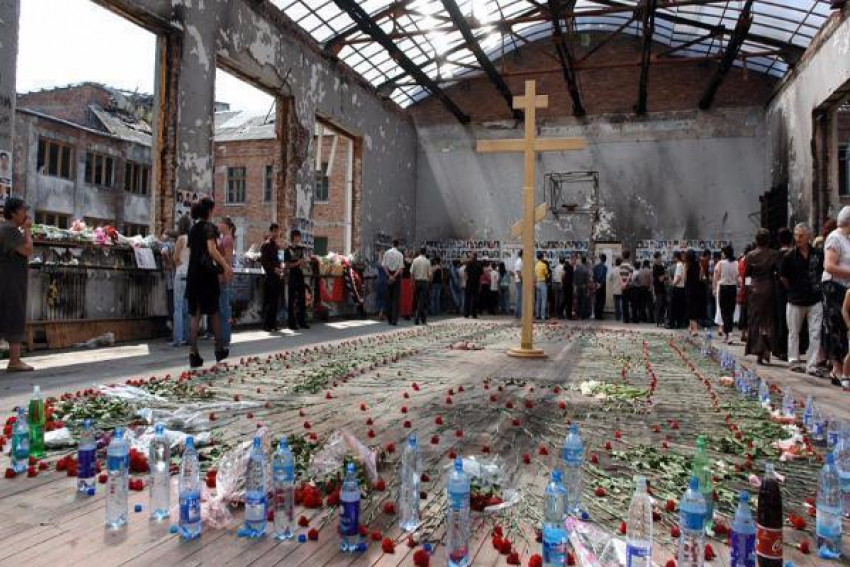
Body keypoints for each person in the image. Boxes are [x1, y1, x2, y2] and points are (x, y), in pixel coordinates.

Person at [185, 198, 232, 368]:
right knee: (214, 311)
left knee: (194, 314)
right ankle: (219, 348)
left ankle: (193, 352)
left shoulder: (192, 229)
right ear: (209, 211)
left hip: (193, 274)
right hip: (206, 275)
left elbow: (193, 252)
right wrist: (225, 265)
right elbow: (211, 249)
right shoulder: (209, 228)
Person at [780, 223, 824, 376]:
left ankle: (812, 364)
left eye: (801, 235)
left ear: (808, 237)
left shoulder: (818, 254)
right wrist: (793, 289)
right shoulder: (789, 256)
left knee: (815, 332)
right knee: (793, 332)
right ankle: (794, 360)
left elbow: (822, 273)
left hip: (814, 298)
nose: (797, 238)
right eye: (796, 235)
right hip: (795, 299)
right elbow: (783, 277)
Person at [0, 197, 34, 372]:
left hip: (6, 279)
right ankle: (14, 361)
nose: (26, 214)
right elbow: (27, 249)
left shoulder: (5, 228)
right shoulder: (10, 230)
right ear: (13, 212)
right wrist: (27, 230)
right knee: (14, 315)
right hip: (10, 281)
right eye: (23, 210)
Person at [821, 207, 850, 386]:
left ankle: (846, 368)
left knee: (846, 328)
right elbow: (829, 266)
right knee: (836, 327)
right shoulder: (835, 238)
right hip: (833, 287)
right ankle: (836, 368)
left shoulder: (847, 238)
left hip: (846, 287)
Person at [745, 229, 780, 365]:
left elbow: (747, 275)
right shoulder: (774, 255)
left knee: (756, 320)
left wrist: (749, 289)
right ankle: (767, 350)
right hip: (769, 288)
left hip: (754, 289)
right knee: (769, 320)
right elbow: (777, 273)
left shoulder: (750, 255)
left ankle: (758, 350)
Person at [772, 228, 794, 361]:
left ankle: (781, 349)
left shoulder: (776, 256)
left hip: (779, 290)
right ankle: (790, 350)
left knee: (780, 318)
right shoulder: (794, 254)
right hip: (791, 290)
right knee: (791, 321)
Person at [172, 216, 192, 346]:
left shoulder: (181, 239)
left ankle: (178, 339)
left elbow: (175, 257)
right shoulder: (193, 240)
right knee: (186, 309)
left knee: (178, 308)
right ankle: (187, 337)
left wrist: (178, 263)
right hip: (190, 276)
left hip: (180, 274)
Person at [284, 230, 310, 330]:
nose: (299, 238)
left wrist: (304, 263)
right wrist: (298, 262)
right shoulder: (287, 249)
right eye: (298, 236)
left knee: (302, 298)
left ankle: (302, 321)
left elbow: (302, 262)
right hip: (292, 275)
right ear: (294, 237)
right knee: (291, 300)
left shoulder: (301, 248)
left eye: (299, 236)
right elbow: (286, 265)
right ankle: (291, 323)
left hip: (299, 274)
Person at [713, 245, 738, 344]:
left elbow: (716, 276)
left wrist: (715, 287)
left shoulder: (721, 263)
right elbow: (737, 276)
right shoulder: (736, 262)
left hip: (723, 288)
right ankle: (727, 334)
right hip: (732, 288)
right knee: (730, 311)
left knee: (724, 311)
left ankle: (728, 334)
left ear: (725, 253)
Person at [260, 224, 283, 332]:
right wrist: (274, 269)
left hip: (277, 276)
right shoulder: (266, 245)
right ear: (271, 232)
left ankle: (273, 324)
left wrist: (280, 267)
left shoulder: (275, 245)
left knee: (275, 302)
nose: (277, 233)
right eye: (275, 231)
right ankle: (266, 325)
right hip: (269, 277)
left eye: (278, 231)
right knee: (269, 302)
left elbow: (276, 260)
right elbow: (264, 262)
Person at [217, 217, 236, 347]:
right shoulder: (224, 238)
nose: (219, 225)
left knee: (224, 308)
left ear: (226, 225)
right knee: (222, 308)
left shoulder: (227, 239)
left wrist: (216, 260)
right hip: (222, 275)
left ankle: (225, 337)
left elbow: (228, 258)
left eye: (221, 223)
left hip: (223, 276)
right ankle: (223, 335)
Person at [382, 240, 404, 326]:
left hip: (388, 276)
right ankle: (394, 320)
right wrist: (394, 276)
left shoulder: (386, 253)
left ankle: (389, 318)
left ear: (391, 244)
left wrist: (389, 276)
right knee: (396, 298)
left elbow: (384, 266)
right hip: (396, 276)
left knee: (388, 297)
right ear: (398, 245)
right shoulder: (400, 254)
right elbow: (400, 268)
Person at [411, 247, 431, 325]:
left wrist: (412, 282)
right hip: (424, 282)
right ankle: (417, 318)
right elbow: (429, 274)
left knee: (419, 300)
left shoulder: (415, 260)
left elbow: (412, 272)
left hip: (417, 282)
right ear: (425, 252)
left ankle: (423, 319)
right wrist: (429, 282)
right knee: (421, 301)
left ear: (419, 252)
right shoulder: (427, 261)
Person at [618, 252, 636, 323]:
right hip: (630, 286)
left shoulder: (621, 265)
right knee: (632, 303)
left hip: (623, 287)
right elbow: (630, 275)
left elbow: (619, 275)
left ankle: (626, 319)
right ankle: (634, 319)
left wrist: (623, 283)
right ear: (629, 256)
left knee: (624, 303)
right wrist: (626, 283)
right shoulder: (630, 265)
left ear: (623, 256)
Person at [671, 251, 687, 328]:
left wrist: (673, 283)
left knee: (676, 307)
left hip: (678, 288)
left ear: (676, 257)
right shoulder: (683, 265)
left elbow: (679, 277)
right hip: (682, 288)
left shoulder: (679, 265)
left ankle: (677, 323)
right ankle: (680, 323)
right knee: (680, 307)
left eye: (673, 257)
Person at [464, 253, 483, 318]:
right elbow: (481, 274)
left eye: (471, 256)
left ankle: (466, 313)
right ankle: (474, 314)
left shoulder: (469, 264)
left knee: (468, 299)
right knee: (475, 299)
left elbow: (466, 273)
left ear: (472, 257)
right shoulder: (479, 264)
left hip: (469, 283)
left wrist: (466, 280)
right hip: (476, 283)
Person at [652, 252, 668, 327]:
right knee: (659, 305)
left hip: (662, 288)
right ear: (657, 258)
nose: (661, 259)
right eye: (660, 258)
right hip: (658, 289)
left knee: (663, 305)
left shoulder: (661, 266)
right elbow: (660, 279)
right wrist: (665, 275)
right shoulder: (656, 267)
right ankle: (658, 321)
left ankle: (662, 321)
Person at [534, 252, 549, 320]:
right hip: (543, 283)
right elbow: (546, 275)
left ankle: (537, 315)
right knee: (544, 300)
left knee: (538, 300)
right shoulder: (544, 265)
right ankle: (543, 316)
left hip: (537, 283)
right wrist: (547, 277)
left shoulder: (536, 265)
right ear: (542, 257)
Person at [593, 254, 608, 320]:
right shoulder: (605, 267)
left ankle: (596, 314)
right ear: (605, 260)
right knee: (602, 300)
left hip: (596, 284)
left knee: (597, 300)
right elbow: (603, 277)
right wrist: (600, 284)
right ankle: (599, 315)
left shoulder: (595, 267)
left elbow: (594, 276)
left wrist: (596, 282)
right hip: (602, 284)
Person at [563, 254, 575, 319]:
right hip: (567, 285)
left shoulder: (568, 266)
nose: (575, 261)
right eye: (574, 260)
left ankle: (568, 314)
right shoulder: (568, 266)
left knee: (568, 300)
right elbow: (563, 275)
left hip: (568, 285)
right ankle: (568, 315)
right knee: (568, 300)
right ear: (571, 259)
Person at [513, 251, 523, 319]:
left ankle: (518, 313)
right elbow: (518, 272)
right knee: (519, 298)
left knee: (519, 298)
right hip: (519, 281)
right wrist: (523, 281)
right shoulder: (519, 262)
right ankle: (518, 314)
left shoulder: (520, 261)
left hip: (519, 280)